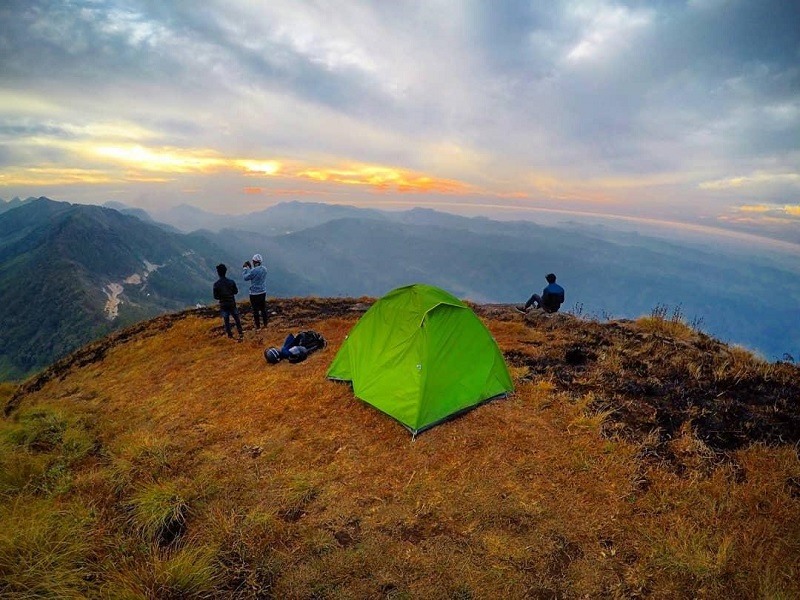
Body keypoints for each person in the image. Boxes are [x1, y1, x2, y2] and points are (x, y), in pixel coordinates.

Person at [213, 263, 243, 341]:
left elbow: (216, 297)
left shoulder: (216, 284)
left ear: (218, 273)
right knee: (236, 318)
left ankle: (230, 335)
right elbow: (236, 291)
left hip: (223, 304)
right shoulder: (231, 282)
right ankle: (240, 333)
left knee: (226, 320)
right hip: (231, 303)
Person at [242, 253, 268, 329]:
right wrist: (251, 268)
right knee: (263, 309)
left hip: (254, 293)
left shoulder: (253, 271)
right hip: (263, 291)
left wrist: (245, 268)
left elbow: (246, 277)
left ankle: (258, 326)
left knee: (255, 310)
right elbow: (255, 273)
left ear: (255, 262)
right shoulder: (264, 269)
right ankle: (265, 324)